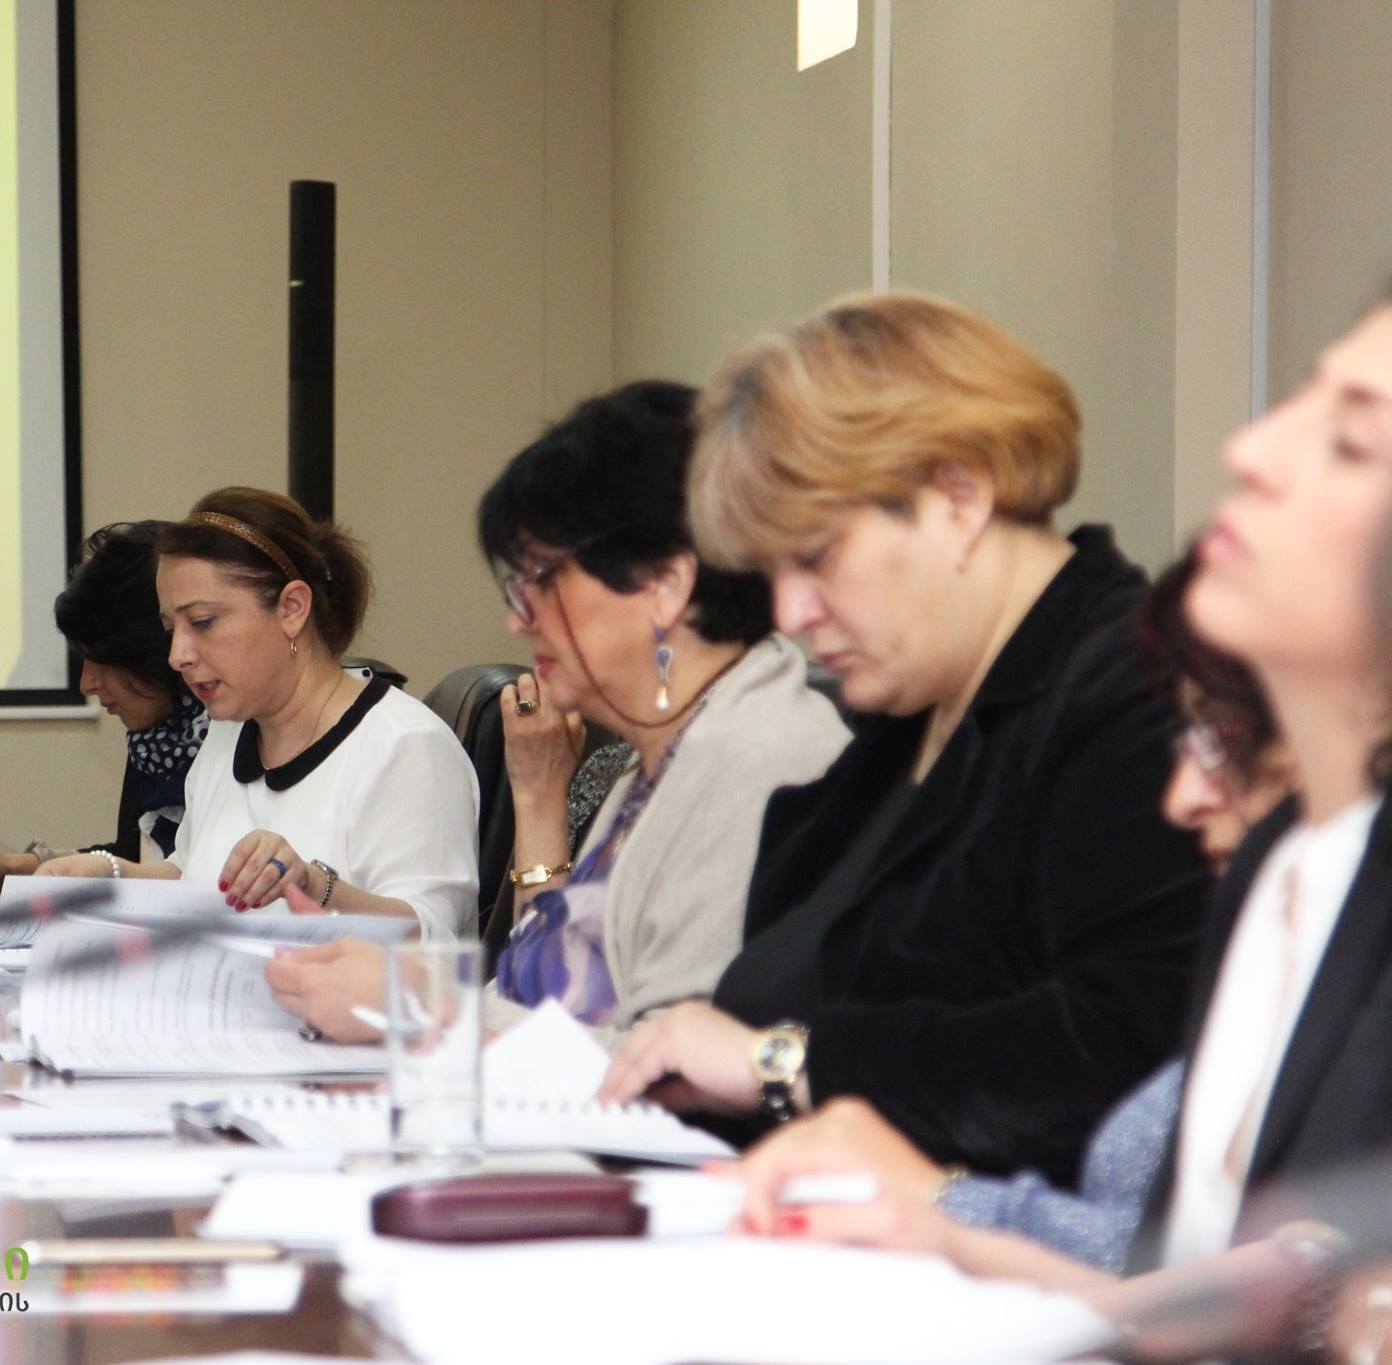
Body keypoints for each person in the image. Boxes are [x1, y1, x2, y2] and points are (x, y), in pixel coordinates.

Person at [718, 290, 1392, 1365]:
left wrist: (924, 1183)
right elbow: (1198, 1296)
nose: (1250, 449)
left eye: (1348, 438)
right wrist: (951, 1229)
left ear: (957, 497)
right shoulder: (1287, 863)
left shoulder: (1114, 709)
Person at [597, 291, 1213, 1186]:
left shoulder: (1136, 697)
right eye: (772, 571)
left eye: (815, 556)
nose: (790, 613)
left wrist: (783, 1064)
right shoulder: (902, 718)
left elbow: (1124, 1056)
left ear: (958, 497)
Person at [732, 550, 1296, 1274]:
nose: (790, 612)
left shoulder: (743, 735)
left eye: (819, 555)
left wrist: (942, 1201)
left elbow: (1220, 1282)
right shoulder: (615, 771)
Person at [266, 381, 847, 1042]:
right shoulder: (664, 754)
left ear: (664, 583)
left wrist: (420, 1005)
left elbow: (672, 1066)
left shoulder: (762, 761)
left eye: (541, 579)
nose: (518, 620)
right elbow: (557, 999)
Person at [35, 487, 481, 940]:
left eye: (203, 622)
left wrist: (315, 885)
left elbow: (432, 939)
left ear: (292, 609)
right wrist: (110, 876)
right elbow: (192, 876)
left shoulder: (405, 746)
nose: (177, 655)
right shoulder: (227, 733)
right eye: (171, 630)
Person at [0, 521, 207, 895]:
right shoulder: (158, 742)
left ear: (151, 648)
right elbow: (134, 858)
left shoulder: (226, 738)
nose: (87, 683)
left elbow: (189, 880)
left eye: (103, 659)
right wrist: (12, 871)